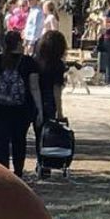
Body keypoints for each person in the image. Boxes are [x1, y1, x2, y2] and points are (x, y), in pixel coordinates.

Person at [0, 29, 43, 177]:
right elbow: (34, 87)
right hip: (22, 108)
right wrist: (39, 109)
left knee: (1, 140)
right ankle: (18, 172)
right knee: (19, 140)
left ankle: (2, 172)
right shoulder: (29, 62)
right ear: (19, 43)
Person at [33, 29, 68, 176]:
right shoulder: (58, 65)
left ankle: (40, 162)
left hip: (32, 99)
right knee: (47, 133)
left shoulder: (35, 61)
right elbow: (56, 90)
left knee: (38, 133)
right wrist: (60, 111)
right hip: (49, 101)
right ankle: (44, 163)